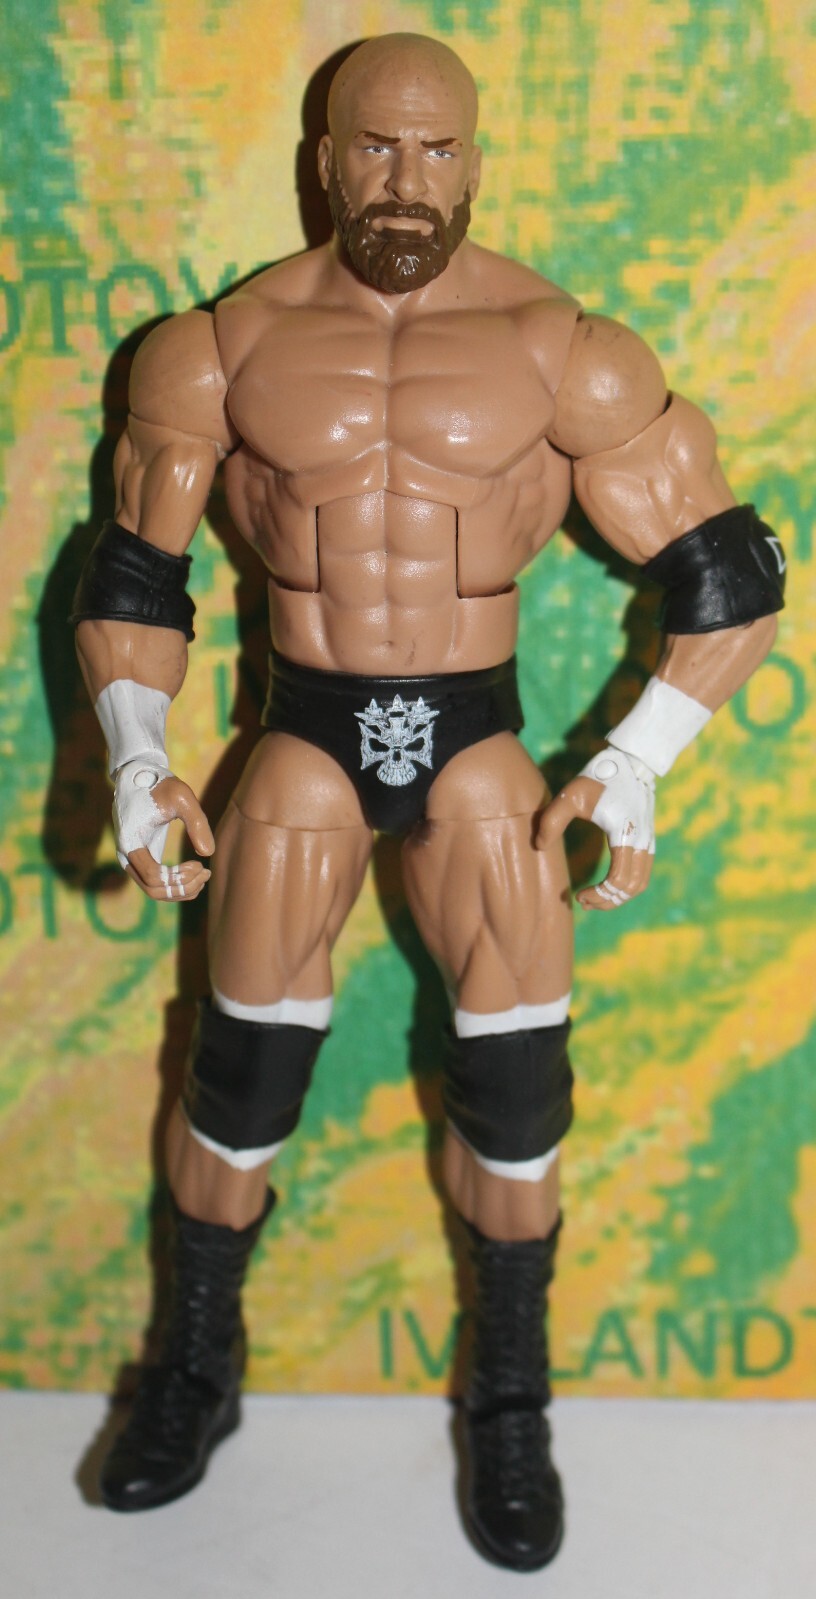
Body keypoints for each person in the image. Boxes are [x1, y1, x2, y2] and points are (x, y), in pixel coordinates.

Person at [72, 33, 784, 1571]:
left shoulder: (562, 347)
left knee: (518, 1112)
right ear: (324, 158)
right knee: (239, 1084)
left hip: (479, 748)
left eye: (436, 149)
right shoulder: (218, 347)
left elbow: (728, 572)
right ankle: (194, 1373)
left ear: (476, 158)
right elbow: (135, 572)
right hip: (302, 739)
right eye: (376, 148)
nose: (406, 180)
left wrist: (639, 758)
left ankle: (509, 1403)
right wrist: (136, 753)